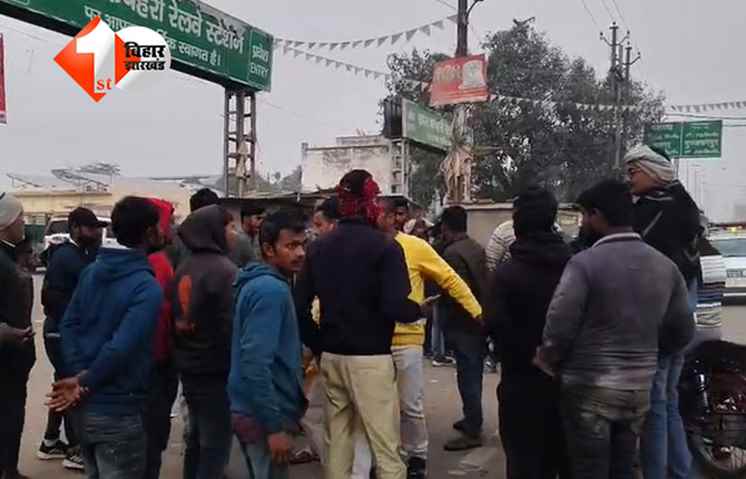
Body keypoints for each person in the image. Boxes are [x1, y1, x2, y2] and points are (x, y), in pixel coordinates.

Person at [535, 180, 694, 479]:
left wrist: (547, 358)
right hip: (638, 391)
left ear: (597, 215)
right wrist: (648, 354)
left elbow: (560, 325)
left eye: (585, 215)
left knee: (589, 469)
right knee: (622, 467)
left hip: (589, 390)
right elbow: (683, 331)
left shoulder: (584, 264)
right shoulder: (665, 266)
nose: (583, 222)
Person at [295, 170, 419, 479]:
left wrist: (319, 344)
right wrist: (419, 310)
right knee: (386, 447)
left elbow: (298, 306)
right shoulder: (386, 247)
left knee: (337, 443)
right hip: (371, 359)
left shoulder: (319, 247)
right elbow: (395, 306)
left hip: (332, 356)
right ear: (370, 202)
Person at [351, 198, 482, 478]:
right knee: (376, 409)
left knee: (410, 405)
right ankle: (384, 460)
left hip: (407, 339)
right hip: (372, 343)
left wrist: (476, 311)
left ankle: (417, 457)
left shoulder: (415, 247)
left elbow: (449, 278)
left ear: (390, 217)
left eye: (379, 213)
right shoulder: (363, 248)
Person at [49, 196, 164, 479]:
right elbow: (120, 348)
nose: (165, 231)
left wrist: (79, 375)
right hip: (118, 409)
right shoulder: (146, 287)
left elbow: (69, 325)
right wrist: (84, 379)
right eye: (161, 225)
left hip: (85, 409)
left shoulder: (92, 271)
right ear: (149, 232)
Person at [624, 145, 702, 479]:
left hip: (659, 324)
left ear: (653, 171)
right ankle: (681, 472)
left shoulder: (656, 210)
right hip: (681, 323)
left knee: (655, 406)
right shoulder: (684, 204)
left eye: (633, 172)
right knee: (667, 401)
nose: (629, 179)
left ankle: (657, 473)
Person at [485, 187, 572, 479]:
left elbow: (493, 324)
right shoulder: (576, 266)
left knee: (524, 464)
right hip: (569, 384)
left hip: (520, 384)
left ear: (517, 222)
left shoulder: (507, 274)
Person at [230, 210, 308, 479]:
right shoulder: (269, 290)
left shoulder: (261, 283)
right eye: (291, 246)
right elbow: (255, 363)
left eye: (302, 245)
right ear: (268, 249)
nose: (300, 253)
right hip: (261, 416)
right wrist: (274, 428)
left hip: (253, 409)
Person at [172, 204, 238, 479]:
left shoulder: (185, 266)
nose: (235, 233)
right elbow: (230, 326)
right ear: (214, 231)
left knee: (197, 440)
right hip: (216, 369)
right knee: (215, 444)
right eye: (230, 227)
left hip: (189, 365)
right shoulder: (225, 270)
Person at [39, 207, 106, 471]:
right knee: (72, 387)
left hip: (60, 331)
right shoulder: (68, 257)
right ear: (75, 228)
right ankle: (76, 449)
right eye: (91, 227)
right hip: (60, 332)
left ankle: (50, 441)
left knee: (62, 382)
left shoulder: (79, 253)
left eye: (98, 228)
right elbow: (53, 298)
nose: (97, 232)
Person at [438, 206, 488, 451]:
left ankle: (473, 430)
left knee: (467, 376)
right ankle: (471, 418)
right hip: (478, 322)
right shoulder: (476, 247)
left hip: (463, 324)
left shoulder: (452, 253)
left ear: (446, 227)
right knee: (473, 373)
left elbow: (457, 292)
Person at [143, 199, 179, 479]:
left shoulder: (157, 261)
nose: (171, 229)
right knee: (151, 439)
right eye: (168, 222)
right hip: (156, 362)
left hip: (153, 362)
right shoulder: (158, 264)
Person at [0, 193, 35, 479]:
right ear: (5, 223)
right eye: (20, 216)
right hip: (5, 355)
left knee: (12, 413)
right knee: (8, 414)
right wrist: (5, 332)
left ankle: (9, 467)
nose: (24, 221)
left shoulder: (11, 254)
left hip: (15, 357)